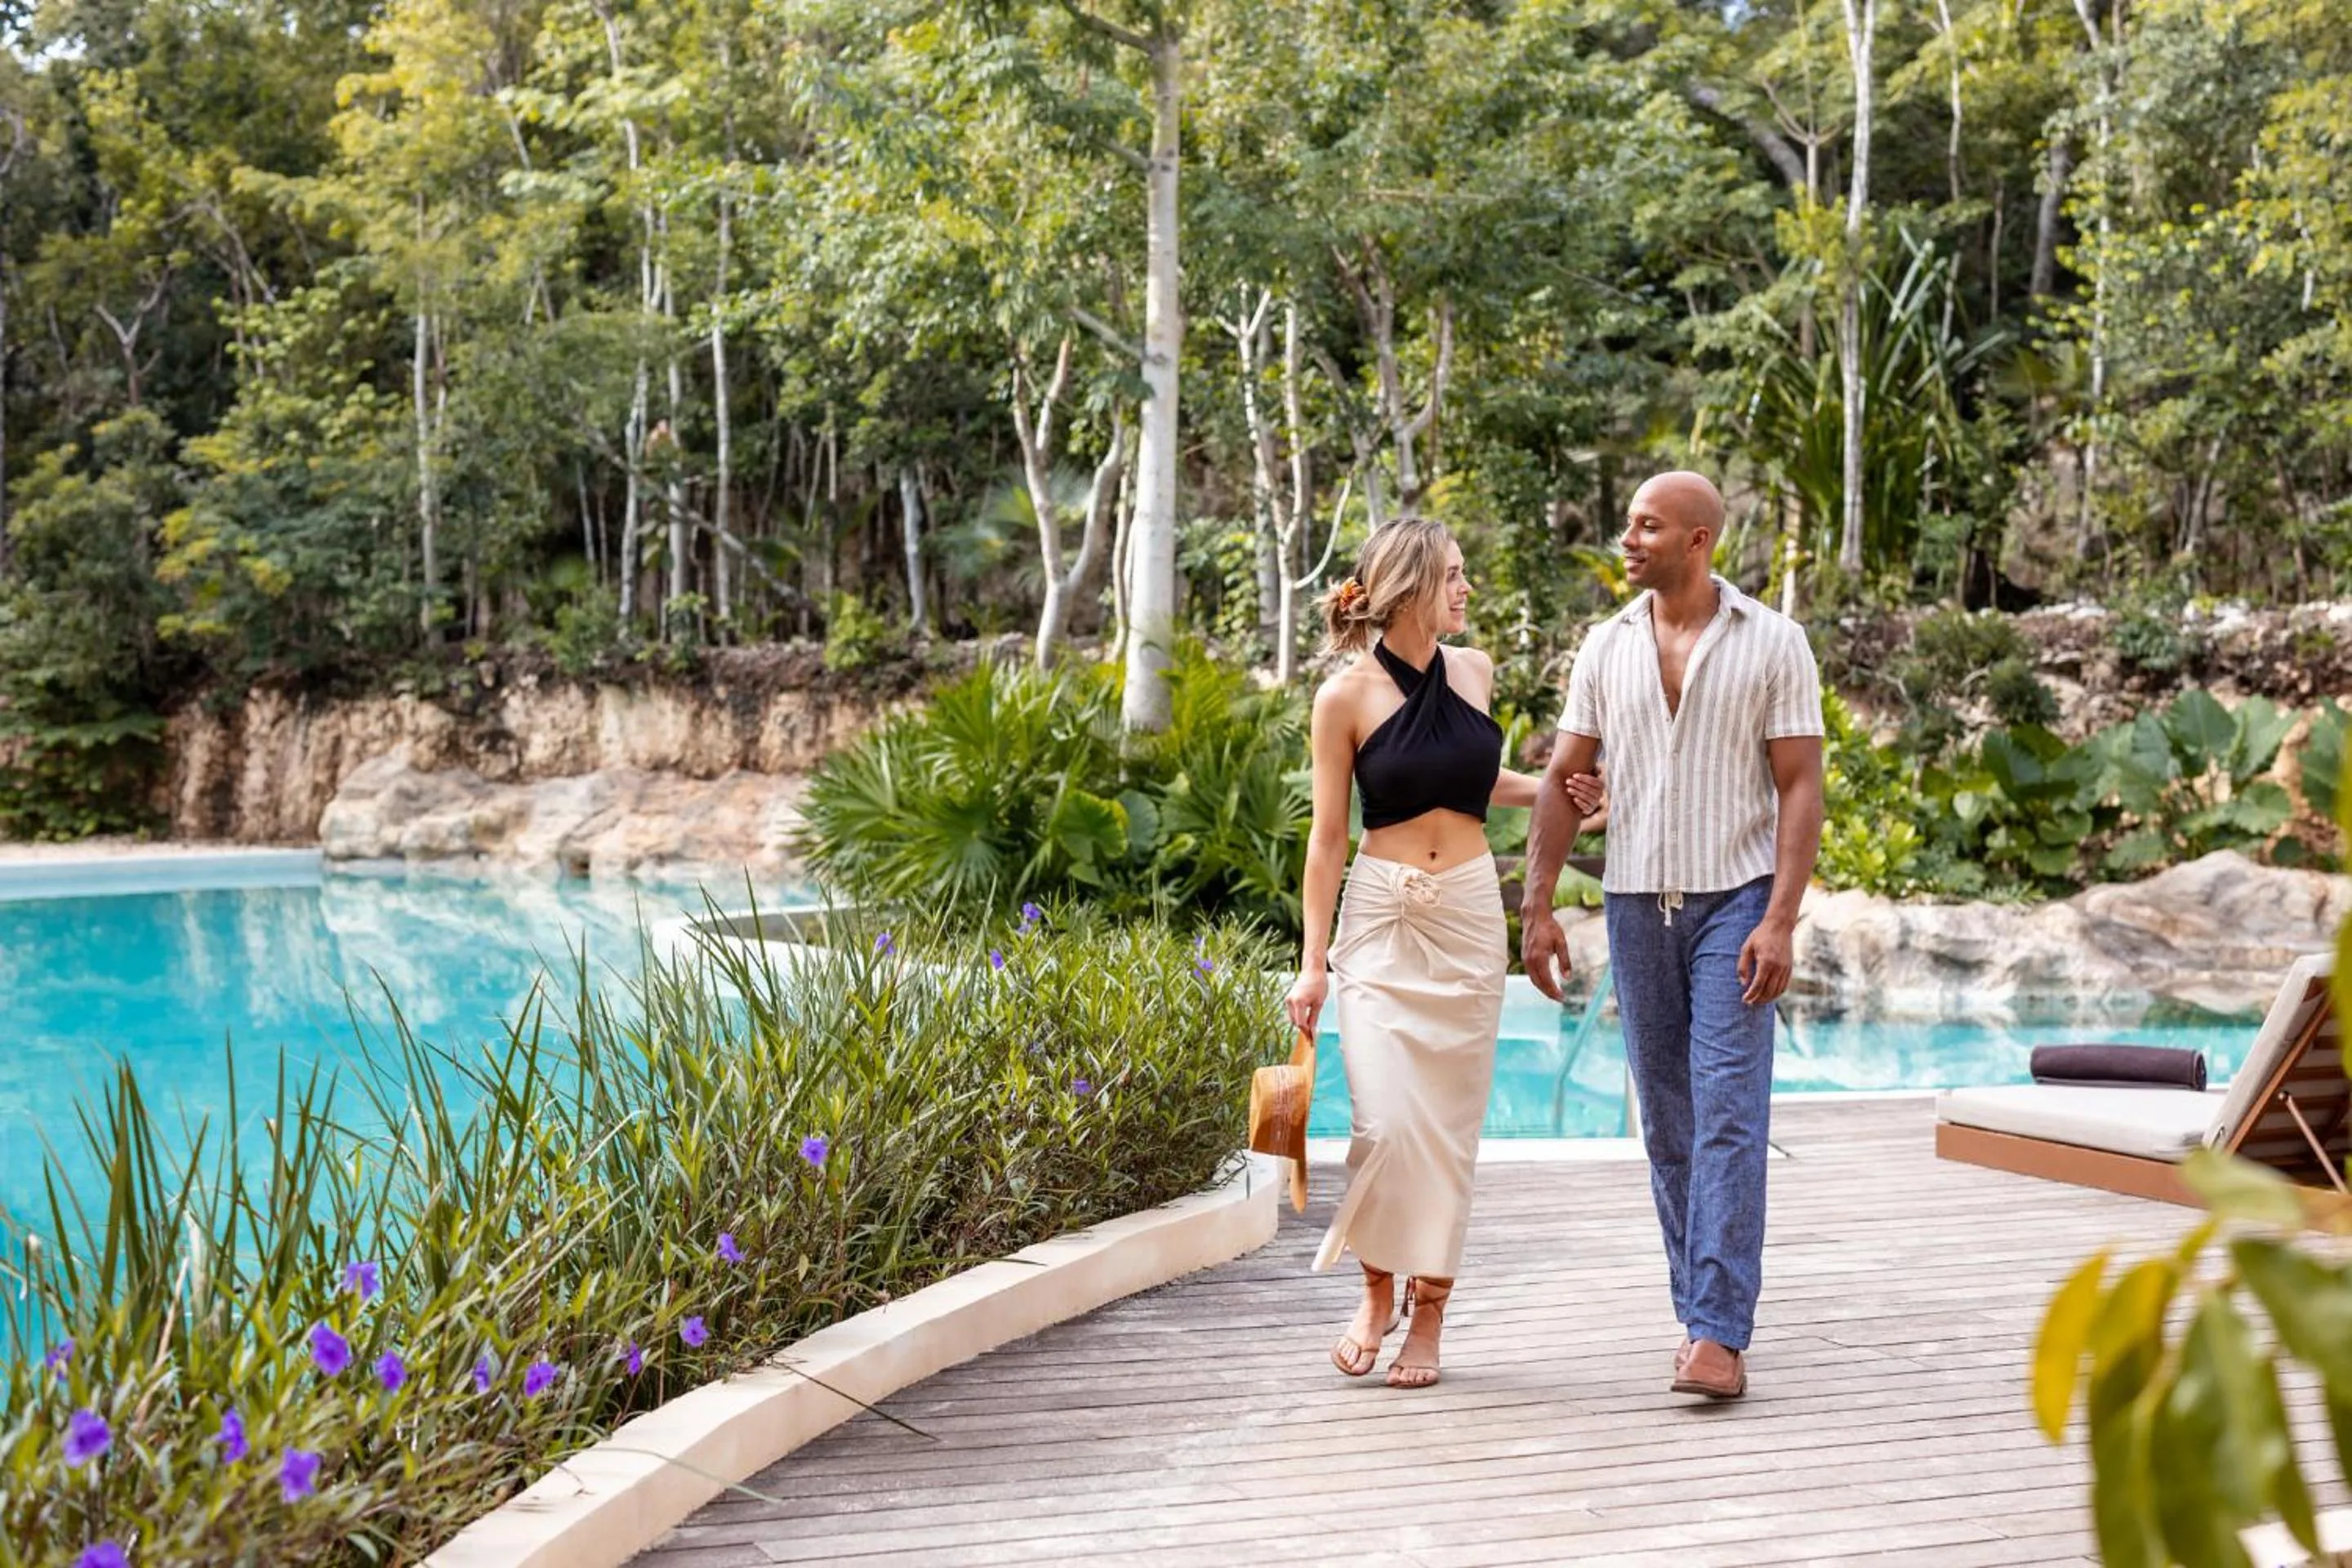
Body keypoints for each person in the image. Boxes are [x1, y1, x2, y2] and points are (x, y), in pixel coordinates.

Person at [1519, 471, 1824, 1401]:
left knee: (1729, 1112)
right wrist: (1535, 908)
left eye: (1646, 526)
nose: (1627, 538)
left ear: (1698, 541)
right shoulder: (1604, 648)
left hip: (1736, 900)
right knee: (1669, 1122)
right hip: (1635, 904)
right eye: (1628, 524)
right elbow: (1564, 778)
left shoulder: (1775, 642)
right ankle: (1698, 1310)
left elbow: (1801, 785)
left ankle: (1716, 1335)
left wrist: (1779, 917)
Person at [1284, 517, 1597, 1389]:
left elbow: (1472, 778)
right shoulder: (1344, 696)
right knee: (1382, 1126)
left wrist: (1555, 791)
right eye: (1454, 576)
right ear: (1413, 586)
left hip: (1463, 917)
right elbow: (1327, 837)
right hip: (1380, 921)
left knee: (1449, 1135)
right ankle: (1375, 1291)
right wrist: (1314, 963)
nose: (1467, 590)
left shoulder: (1473, 672)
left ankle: (1429, 1316)